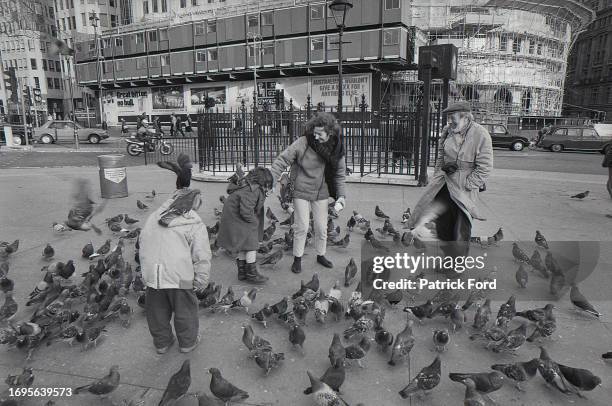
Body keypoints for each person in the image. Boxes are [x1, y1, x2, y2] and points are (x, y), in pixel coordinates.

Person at [140, 153, 211, 354]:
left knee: (157, 312)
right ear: (194, 201)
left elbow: (143, 243)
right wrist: (201, 280)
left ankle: (162, 343)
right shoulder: (194, 222)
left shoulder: (155, 216)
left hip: (154, 276)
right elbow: (202, 255)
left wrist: (146, 274)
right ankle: (187, 342)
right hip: (181, 276)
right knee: (185, 309)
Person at [407, 101, 493, 260]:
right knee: (443, 226)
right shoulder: (448, 130)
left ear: (466, 117)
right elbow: (440, 156)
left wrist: (468, 184)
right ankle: (448, 259)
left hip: (463, 189)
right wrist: (438, 174)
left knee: (460, 228)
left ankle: (457, 265)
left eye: (453, 118)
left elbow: (486, 166)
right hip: (444, 183)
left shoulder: (480, 134)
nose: (450, 122)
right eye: (448, 119)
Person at [270, 112, 347, 274]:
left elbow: (340, 174)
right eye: (314, 132)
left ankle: (321, 255)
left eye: (320, 134)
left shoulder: (336, 149)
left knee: (321, 227)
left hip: (322, 191)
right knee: (302, 226)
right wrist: (271, 179)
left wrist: (341, 196)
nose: (315, 136)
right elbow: (282, 160)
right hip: (301, 189)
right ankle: (297, 258)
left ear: (330, 133)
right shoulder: (304, 142)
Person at [217, 167, 274, 284]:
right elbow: (246, 211)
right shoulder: (252, 191)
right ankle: (252, 273)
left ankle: (242, 272)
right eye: (267, 185)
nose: (268, 187)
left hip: (234, 218)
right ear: (262, 182)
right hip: (238, 218)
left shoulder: (249, 187)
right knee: (252, 245)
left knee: (244, 245)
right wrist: (254, 223)